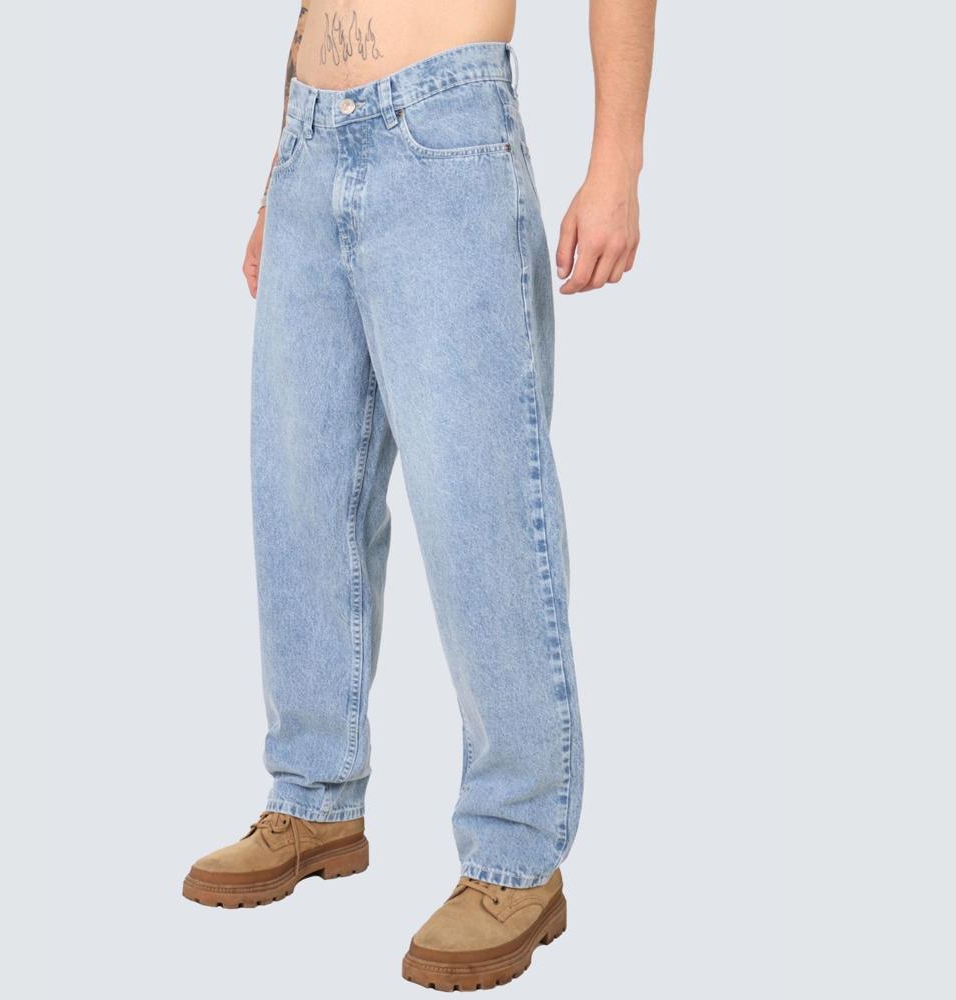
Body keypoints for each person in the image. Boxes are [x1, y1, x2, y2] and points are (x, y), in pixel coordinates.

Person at [183, 0, 655, 989]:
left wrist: (615, 163)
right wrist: (279, 172)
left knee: (480, 506)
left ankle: (516, 856)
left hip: (444, 130)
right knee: (301, 497)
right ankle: (313, 796)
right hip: (310, 141)